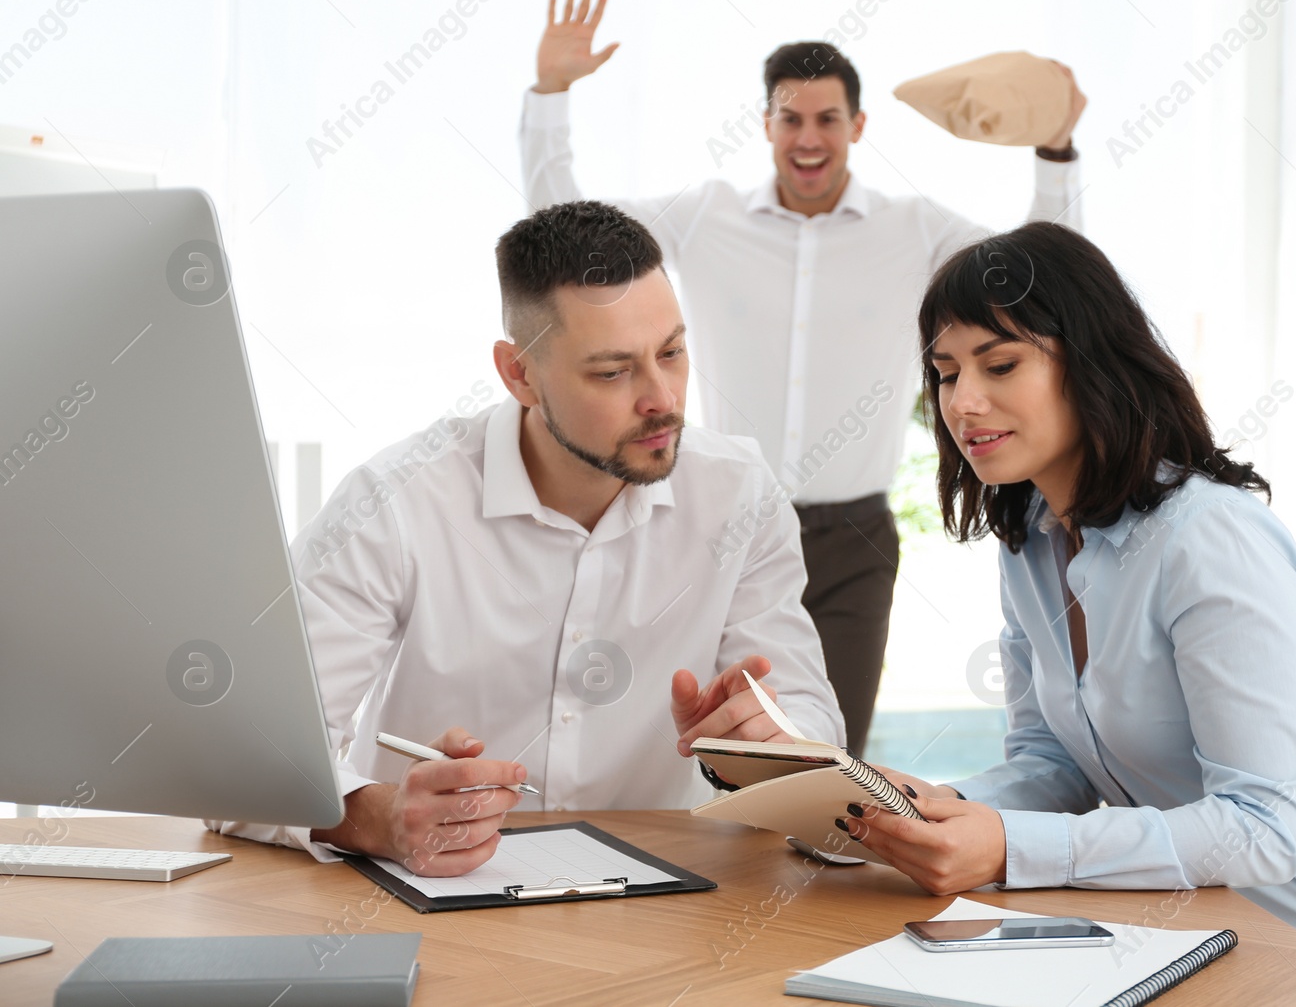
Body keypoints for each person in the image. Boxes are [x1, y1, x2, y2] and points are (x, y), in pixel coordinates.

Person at [843, 222, 1296, 1006]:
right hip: (1202, 961)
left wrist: (1011, 847)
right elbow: (1056, 767)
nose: (962, 402)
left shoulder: (1209, 538)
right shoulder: (1030, 543)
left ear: (1091, 364)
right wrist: (934, 807)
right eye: (943, 372)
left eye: (1000, 364)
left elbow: (1261, 827)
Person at [519, 0, 1088, 754]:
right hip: (722, 520)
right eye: (791, 118)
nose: (808, 137)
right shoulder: (707, 215)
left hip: (853, 535)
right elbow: (569, 243)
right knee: (701, 740)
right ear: (766, 124)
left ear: (858, 124)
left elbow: (1044, 278)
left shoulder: (911, 227)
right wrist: (550, 95)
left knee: (830, 758)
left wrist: (1055, 148)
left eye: (827, 118)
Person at [207, 200, 845, 876]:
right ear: (519, 374)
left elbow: (811, 720)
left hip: (665, 904)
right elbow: (242, 762)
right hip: (429, 902)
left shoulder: (739, 496)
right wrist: (380, 816)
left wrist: (772, 746)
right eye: (612, 371)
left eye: (672, 353)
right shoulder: (394, 502)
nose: (662, 397)